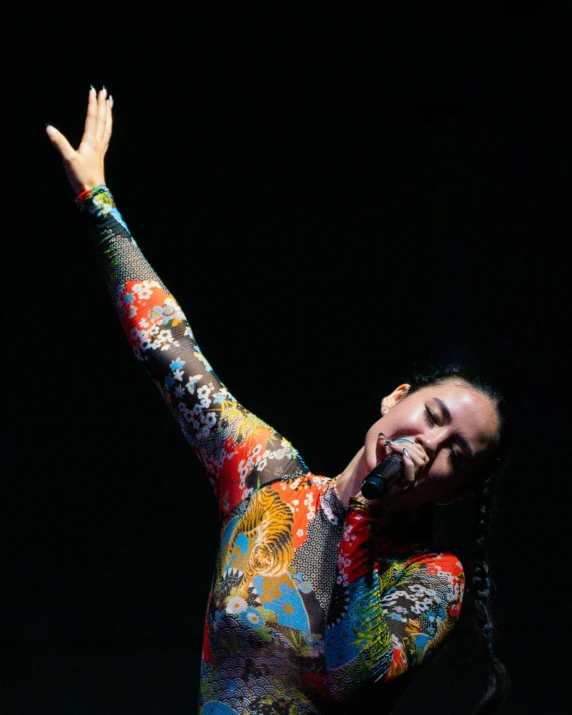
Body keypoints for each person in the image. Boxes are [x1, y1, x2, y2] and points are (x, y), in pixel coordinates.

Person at [46, 87, 511, 714]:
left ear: (455, 491)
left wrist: (365, 517)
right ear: (395, 400)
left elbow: (355, 672)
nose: (430, 442)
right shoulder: (265, 480)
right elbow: (169, 352)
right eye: (432, 416)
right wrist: (96, 198)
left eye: (457, 451)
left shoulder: (430, 578)